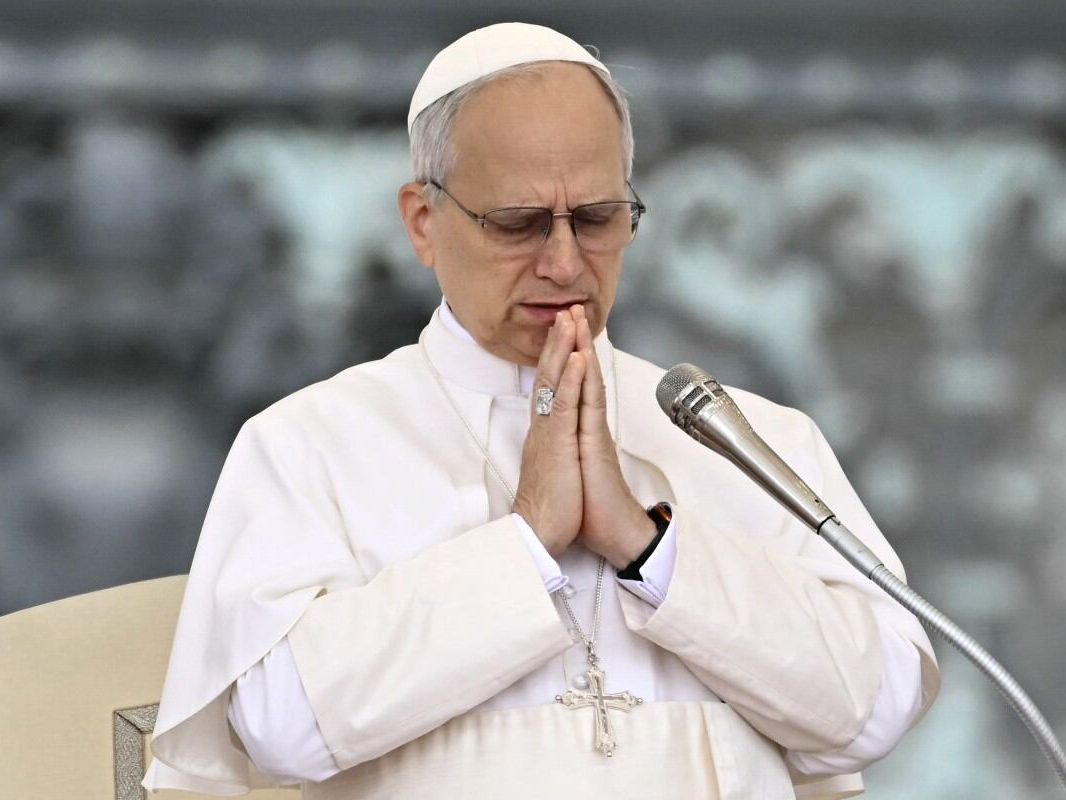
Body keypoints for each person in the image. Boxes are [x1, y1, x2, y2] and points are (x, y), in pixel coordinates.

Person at [144, 22, 939, 799]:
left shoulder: (748, 440)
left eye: (596, 219)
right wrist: (527, 539)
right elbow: (278, 723)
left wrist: (644, 545)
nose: (564, 263)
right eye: (518, 225)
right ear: (424, 223)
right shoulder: (310, 445)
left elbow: (877, 706)